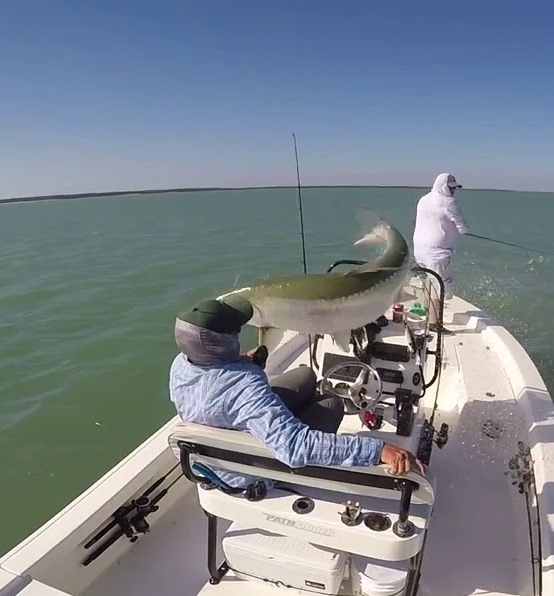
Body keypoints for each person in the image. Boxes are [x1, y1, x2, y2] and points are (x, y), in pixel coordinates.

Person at [169, 296, 425, 495]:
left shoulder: (181, 364)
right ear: (221, 343)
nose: (238, 332)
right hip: (251, 473)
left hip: (218, 457)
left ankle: (290, 415)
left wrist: (238, 362)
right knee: (332, 403)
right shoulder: (245, 385)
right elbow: (295, 447)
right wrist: (379, 451)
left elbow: (219, 394)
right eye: (234, 331)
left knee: (306, 374)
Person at [412, 172, 469, 334]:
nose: (453, 191)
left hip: (419, 249)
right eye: (451, 188)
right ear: (443, 186)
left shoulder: (424, 199)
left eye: (455, 188)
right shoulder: (448, 202)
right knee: (440, 286)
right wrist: (463, 230)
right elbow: (462, 226)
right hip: (436, 252)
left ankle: (427, 315)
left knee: (431, 281)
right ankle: (434, 324)